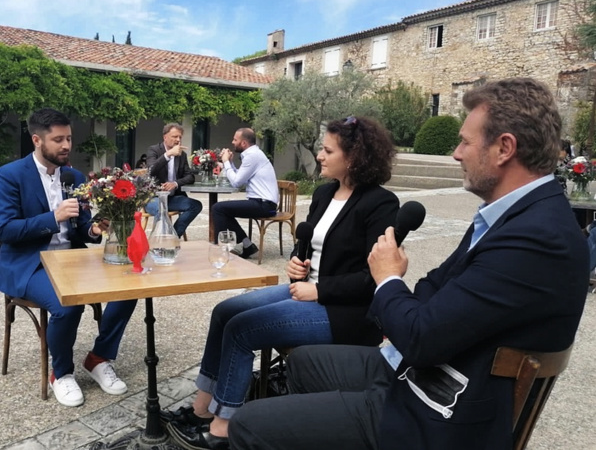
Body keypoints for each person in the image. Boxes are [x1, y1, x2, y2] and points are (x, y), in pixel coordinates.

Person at [227, 78, 590, 450]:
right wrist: (401, 305)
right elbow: (435, 284)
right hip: (416, 368)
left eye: (465, 141)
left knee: (248, 425)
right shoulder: (512, 217)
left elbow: (421, 338)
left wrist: (387, 280)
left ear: (504, 148)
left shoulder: (537, 237)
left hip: (433, 412)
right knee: (304, 363)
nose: (456, 153)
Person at [165, 117, 399, 450]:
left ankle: (223, 428)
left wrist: (318, 289)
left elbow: (374, 277)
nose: (319, 155)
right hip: (308, 290)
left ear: (354, 157)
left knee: (242, 329)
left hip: (345, 311)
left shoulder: (380, 204)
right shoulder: (324, 193)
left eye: (327, 150)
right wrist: (296, 262)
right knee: (225, 311)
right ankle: (203, 409)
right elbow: (308, 245)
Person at [0, 108, 136, 407]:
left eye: (68, 138)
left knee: (131, 284)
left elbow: (82, 228)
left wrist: (95, 228)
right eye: (58, 139)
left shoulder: (74, 176)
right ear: (37, 140)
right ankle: (61, 373)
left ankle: (98, 357)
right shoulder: (10, 176)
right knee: (66, 305)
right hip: (30, 262)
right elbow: (5, 230)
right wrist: (52, 217)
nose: (66, 146)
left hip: (72, 260)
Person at [212, 128, 279, 259]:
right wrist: (230, 163)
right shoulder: (253, 155)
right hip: (261, 202)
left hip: (265, 205)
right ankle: (247, 246)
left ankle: (221, 248)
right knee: (223, 210)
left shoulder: (252, 156)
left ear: (243, 143)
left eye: (235, 140)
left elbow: (236, 183)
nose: (232, 142)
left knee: (218, 209)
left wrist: (226, 162)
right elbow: (240, 177)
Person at [145, 123, 203, 237]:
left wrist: (175, 183)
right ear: (165, 137)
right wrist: (168, 154)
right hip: (153, 197)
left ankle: (173, 237)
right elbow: (150, 171)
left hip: (172, 198)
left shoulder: (182, 155)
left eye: (180, 137)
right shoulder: (154, 150)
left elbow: (190, 176)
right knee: (161, 209)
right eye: (174, 137)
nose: (178, 140)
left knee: (196, 205)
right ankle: (160, 242)